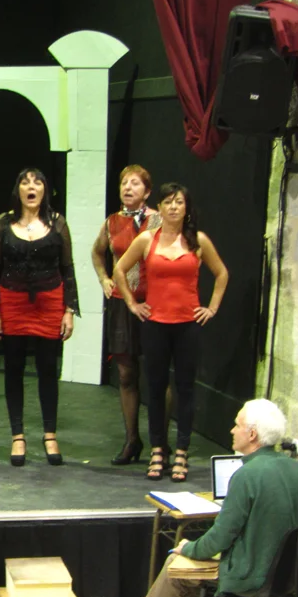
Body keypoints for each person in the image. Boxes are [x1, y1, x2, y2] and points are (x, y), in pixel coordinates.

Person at [144, 399, 298, 597]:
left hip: (253, 579)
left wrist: (188, 548)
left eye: (237, 425)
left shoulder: (245, 476)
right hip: (292, 578)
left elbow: (219, 538)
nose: (232, 430)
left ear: (252, 434)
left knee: (174, 565)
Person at [113, 182, 228, 483]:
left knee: (186, 388)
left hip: (187, 324)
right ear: (160, 208)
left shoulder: (198, 240)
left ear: (186, 208)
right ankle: (157, 450)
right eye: (168, 202)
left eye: (179, 202)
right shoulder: (146, 239)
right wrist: (133, 304)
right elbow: (119, 270)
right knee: (155, 388)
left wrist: (211, 308)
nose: (173, 207)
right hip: (156, 323)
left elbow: (221, 273)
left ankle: (182, 451)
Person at [0, 168, 78, 467]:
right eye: (25, 182)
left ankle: (50, 434)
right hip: (12, 300)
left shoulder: (57, 222)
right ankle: (18, 435)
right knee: (13, 368)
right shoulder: (3, 223)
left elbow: (67, 267)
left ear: (45, 190)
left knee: (47, 368)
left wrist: (69, 310)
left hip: (50, 301)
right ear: (18, 190)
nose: (31, 187)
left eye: (37, 182)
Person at [90, 164, 164, 466]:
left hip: (155, 303)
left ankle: (160, 443)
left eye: (134, 183)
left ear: (147, 191)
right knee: (125, 373)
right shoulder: (112, 222)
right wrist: (104, 278)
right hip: (123, 303)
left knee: (158, 373)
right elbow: (97, 252)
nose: (127, 188)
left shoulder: (160, 220)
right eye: (124, 183)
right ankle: (132, 439)